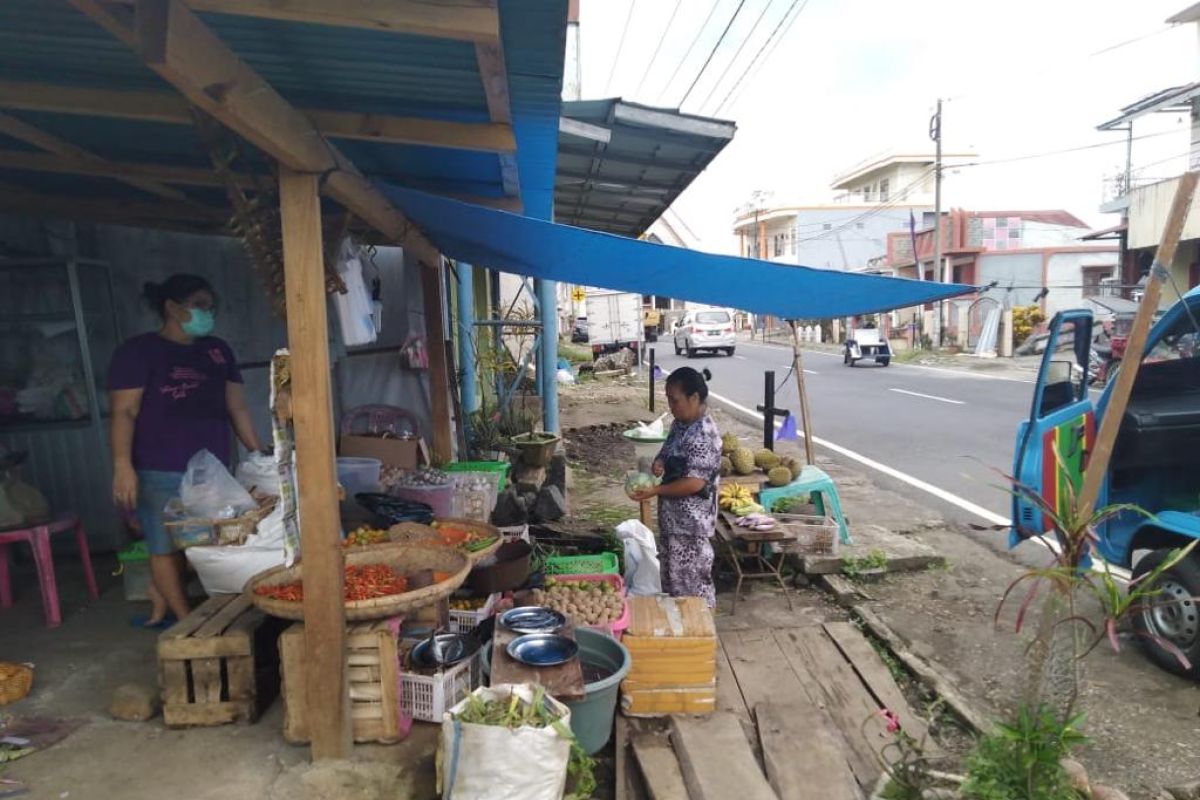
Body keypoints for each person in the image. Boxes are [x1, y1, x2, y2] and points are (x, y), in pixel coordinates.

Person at [109, 274, 263, 626]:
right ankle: (185, 618)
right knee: (163, 545)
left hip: (213, 473)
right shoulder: (138, 353)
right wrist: (122, 465)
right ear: (172, 308)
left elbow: (236, 407)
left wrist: (259, 454)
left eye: (211, 307)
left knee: (212, 544)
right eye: (199, 306)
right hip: (158, 467)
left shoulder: (217, 350)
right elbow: (124, 412)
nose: (208, 314)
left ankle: (166, 595)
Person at [629, 367, 721, 608]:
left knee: (693, 592)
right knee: (673, 586)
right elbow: (667, 451)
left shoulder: (704, 435)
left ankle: (700, 638)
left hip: (691, 528)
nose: (670, 406)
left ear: (694, 398)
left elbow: (694, 482)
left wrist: (656, 491)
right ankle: (681, 636)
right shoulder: (681, 424)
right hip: (673, 522)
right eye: (668, 399)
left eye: (674, 400)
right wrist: (659, 463)